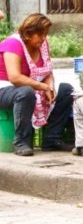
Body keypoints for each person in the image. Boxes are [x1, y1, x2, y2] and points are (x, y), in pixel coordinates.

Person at [0, 14, 74, 156]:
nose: (43, 38)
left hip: (28, 87)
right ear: (28, 33)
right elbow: (14, 77)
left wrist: (50, 87)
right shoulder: (13, 44)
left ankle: (52, 139)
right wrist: (42, 87)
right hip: (4, 88)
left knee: (66, 90)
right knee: (26, 92)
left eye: (45, 34)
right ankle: (21, 141)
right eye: (40, 34)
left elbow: (47, 72)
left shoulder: (42, 45)